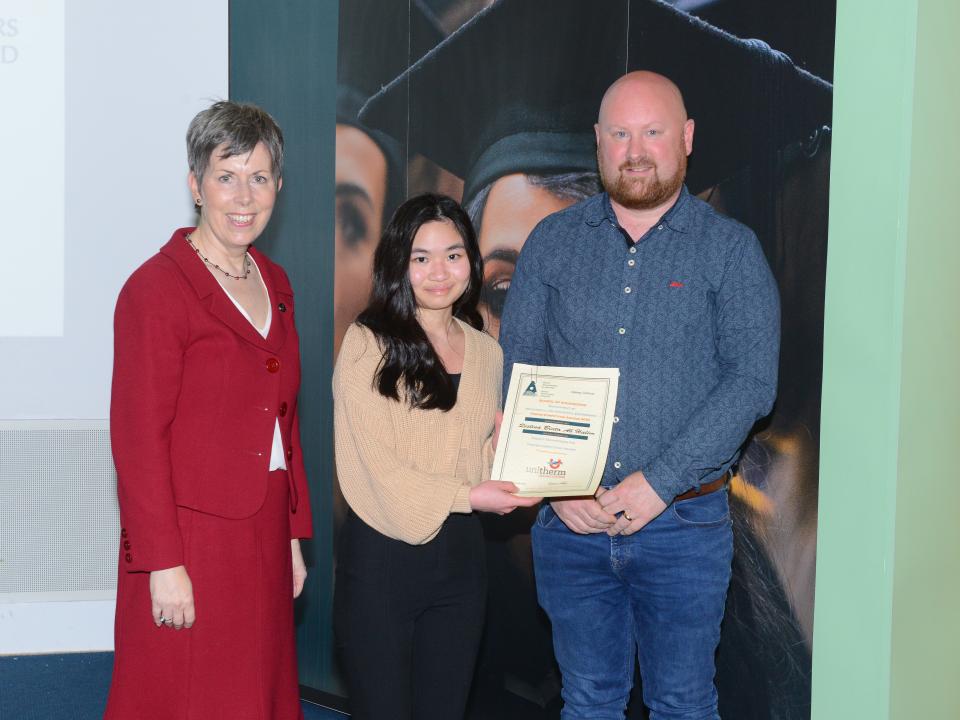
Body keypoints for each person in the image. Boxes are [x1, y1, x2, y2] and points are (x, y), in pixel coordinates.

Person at [498, 71, 781, 720]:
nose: (636, 149)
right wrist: (559, 486)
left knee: (682, 704)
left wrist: (658, 483)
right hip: (571, 526)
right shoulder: (553, 245)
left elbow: (752, 384)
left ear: (685, 138)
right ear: (598, 141)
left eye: (653, 132)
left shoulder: (730, 251)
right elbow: (518, 370)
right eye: (620, 133)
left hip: (683, 526)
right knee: (588, 701)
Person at [104, 101, 312, 720]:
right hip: (190, 541)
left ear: (279, 185)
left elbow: (285, 419)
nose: (243, 195)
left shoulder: (275, 281)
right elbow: (137, 438)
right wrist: (163, 563)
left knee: (253, 694)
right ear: (196, 185)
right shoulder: (156, 289)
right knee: (188, 697)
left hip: (264, 530)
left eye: (259, 176)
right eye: (226, 176)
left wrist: (295, 534)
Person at [332, 193, 540, 720]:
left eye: (452, 254)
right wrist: (470, 493)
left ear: (471, 263)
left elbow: (478, 461)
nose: (438, 271)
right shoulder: (366, 344)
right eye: (420, 257)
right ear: (399, 265)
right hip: (382, 564)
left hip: (462, 565)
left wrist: (516, 455)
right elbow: (379, 469)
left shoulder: (488, 352)